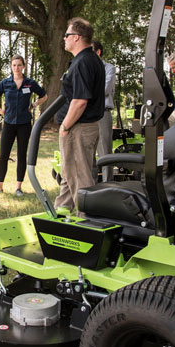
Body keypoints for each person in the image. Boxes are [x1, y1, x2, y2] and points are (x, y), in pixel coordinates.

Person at [55, 17, 105, 213]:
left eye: (66, 35)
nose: (64, 39)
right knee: (70, 173)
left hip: (78, 127)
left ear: (76, 37)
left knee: (79, 176)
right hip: (85, 127)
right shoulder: (91, 60)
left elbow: (80, 101)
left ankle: (88, 219)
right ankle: (61, 211)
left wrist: (65, 126)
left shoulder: (83, 62)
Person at [0, 55, 47, 196]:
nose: (17, 68)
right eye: (14, 65)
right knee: (3, 155)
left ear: (23, 66)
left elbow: (44, 96)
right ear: (11, 67)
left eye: (19, 65)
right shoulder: (5, 83)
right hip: (9, 123)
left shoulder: (30, 83)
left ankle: (18, 187)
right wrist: (1, 111)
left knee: (21, 155)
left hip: (24, 124)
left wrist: (34, 105)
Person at [92, 40, 117, 182]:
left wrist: (87, 92)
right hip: (87, 114)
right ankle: (91, 185)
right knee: (88, 153)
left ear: (98, 52)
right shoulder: (86, 69)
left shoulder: (109, 69)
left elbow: (105, 90)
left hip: (102, 112)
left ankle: (108, 185)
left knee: (105, 152)